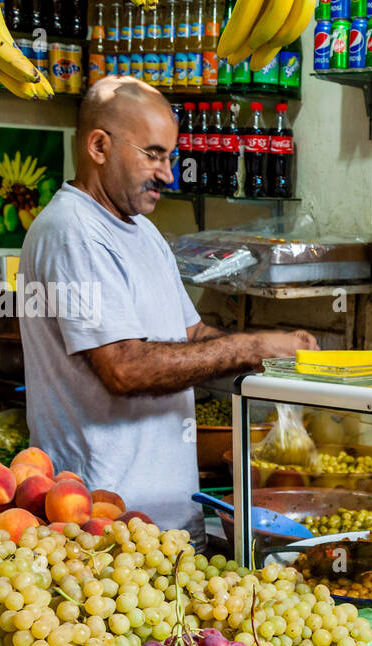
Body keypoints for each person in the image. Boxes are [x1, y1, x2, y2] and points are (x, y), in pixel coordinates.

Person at [19, 77, 316, 541]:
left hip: (167, 521)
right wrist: (251, 345)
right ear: (99, 146)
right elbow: (125, 368)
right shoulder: (72, 232)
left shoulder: (141, 231)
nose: (168, 174)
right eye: (154, 155)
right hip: (102, 526)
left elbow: (191, 336)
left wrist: (271, 359)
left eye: (170, 157)